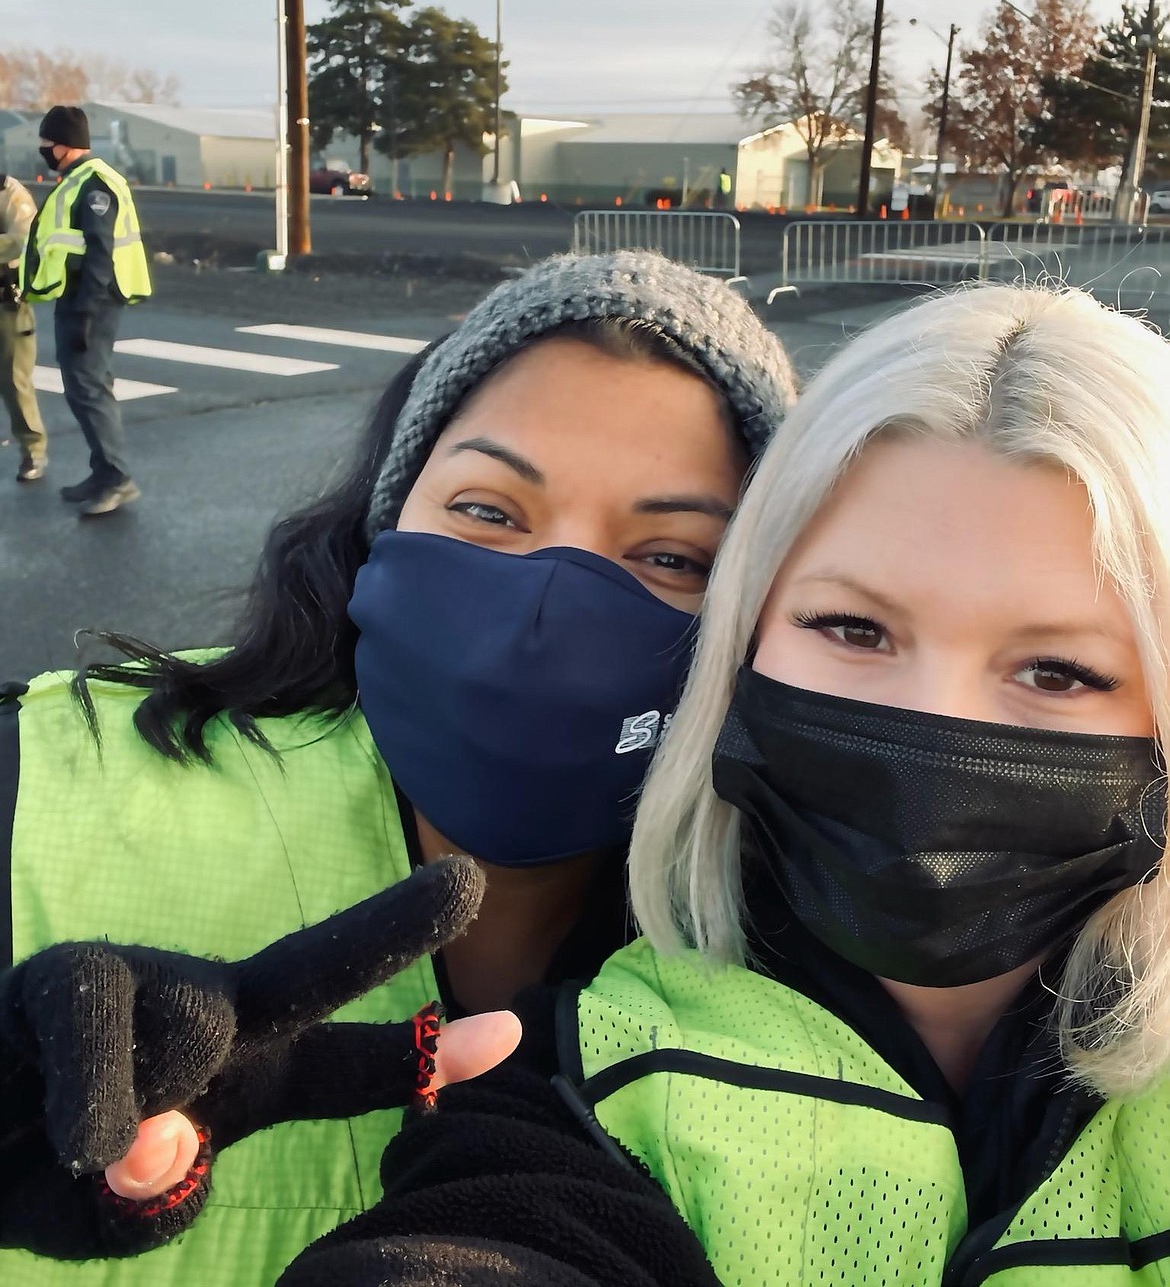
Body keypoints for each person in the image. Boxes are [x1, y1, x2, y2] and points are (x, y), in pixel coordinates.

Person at [288, 281, 1170, 1287]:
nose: (935, 720)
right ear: (742, 641)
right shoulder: (601, 1073)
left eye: (1058, 672)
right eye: (853, 628)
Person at [0, 249, 796, 1287]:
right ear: (385, 526)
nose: (545, 607)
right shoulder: (44, 785)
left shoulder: (801, 965)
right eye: (489, 511)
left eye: (673, 557)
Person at [20, 106, 152, 516]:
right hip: (78, 297)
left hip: (92, 300)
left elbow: (100, 252)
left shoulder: (94, 185)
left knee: (89, 388)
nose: (44, 149)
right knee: (85, 387)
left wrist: (85, 313)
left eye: (47, 142)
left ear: (65, 144)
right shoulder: (77, 180)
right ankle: (102, 471)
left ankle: (116, 479)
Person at [0, 172, 47, 481]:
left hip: (6, 302)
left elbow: (23, 240)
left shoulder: (10, 193)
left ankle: (33, 451)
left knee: (15, 382)